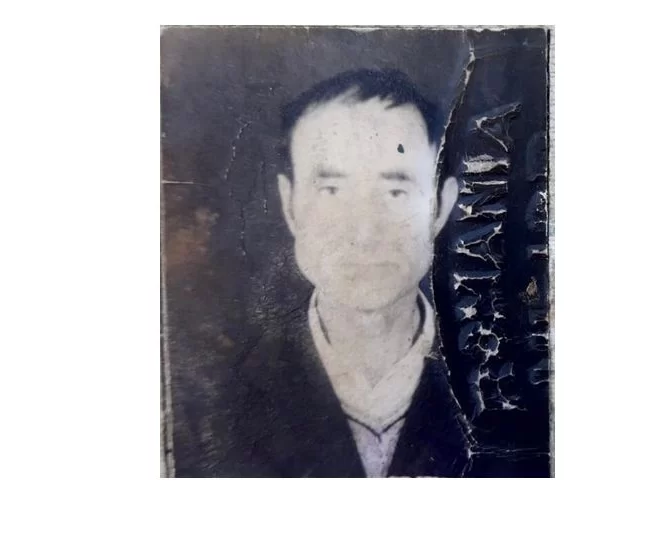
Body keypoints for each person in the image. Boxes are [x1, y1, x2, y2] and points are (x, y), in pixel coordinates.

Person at [190, 69, 469, 477]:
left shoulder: (498, 386)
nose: (364, 233)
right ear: (289, 205)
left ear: (441, 206)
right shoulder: (219, 399)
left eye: (396, 192)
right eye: (331, 191)